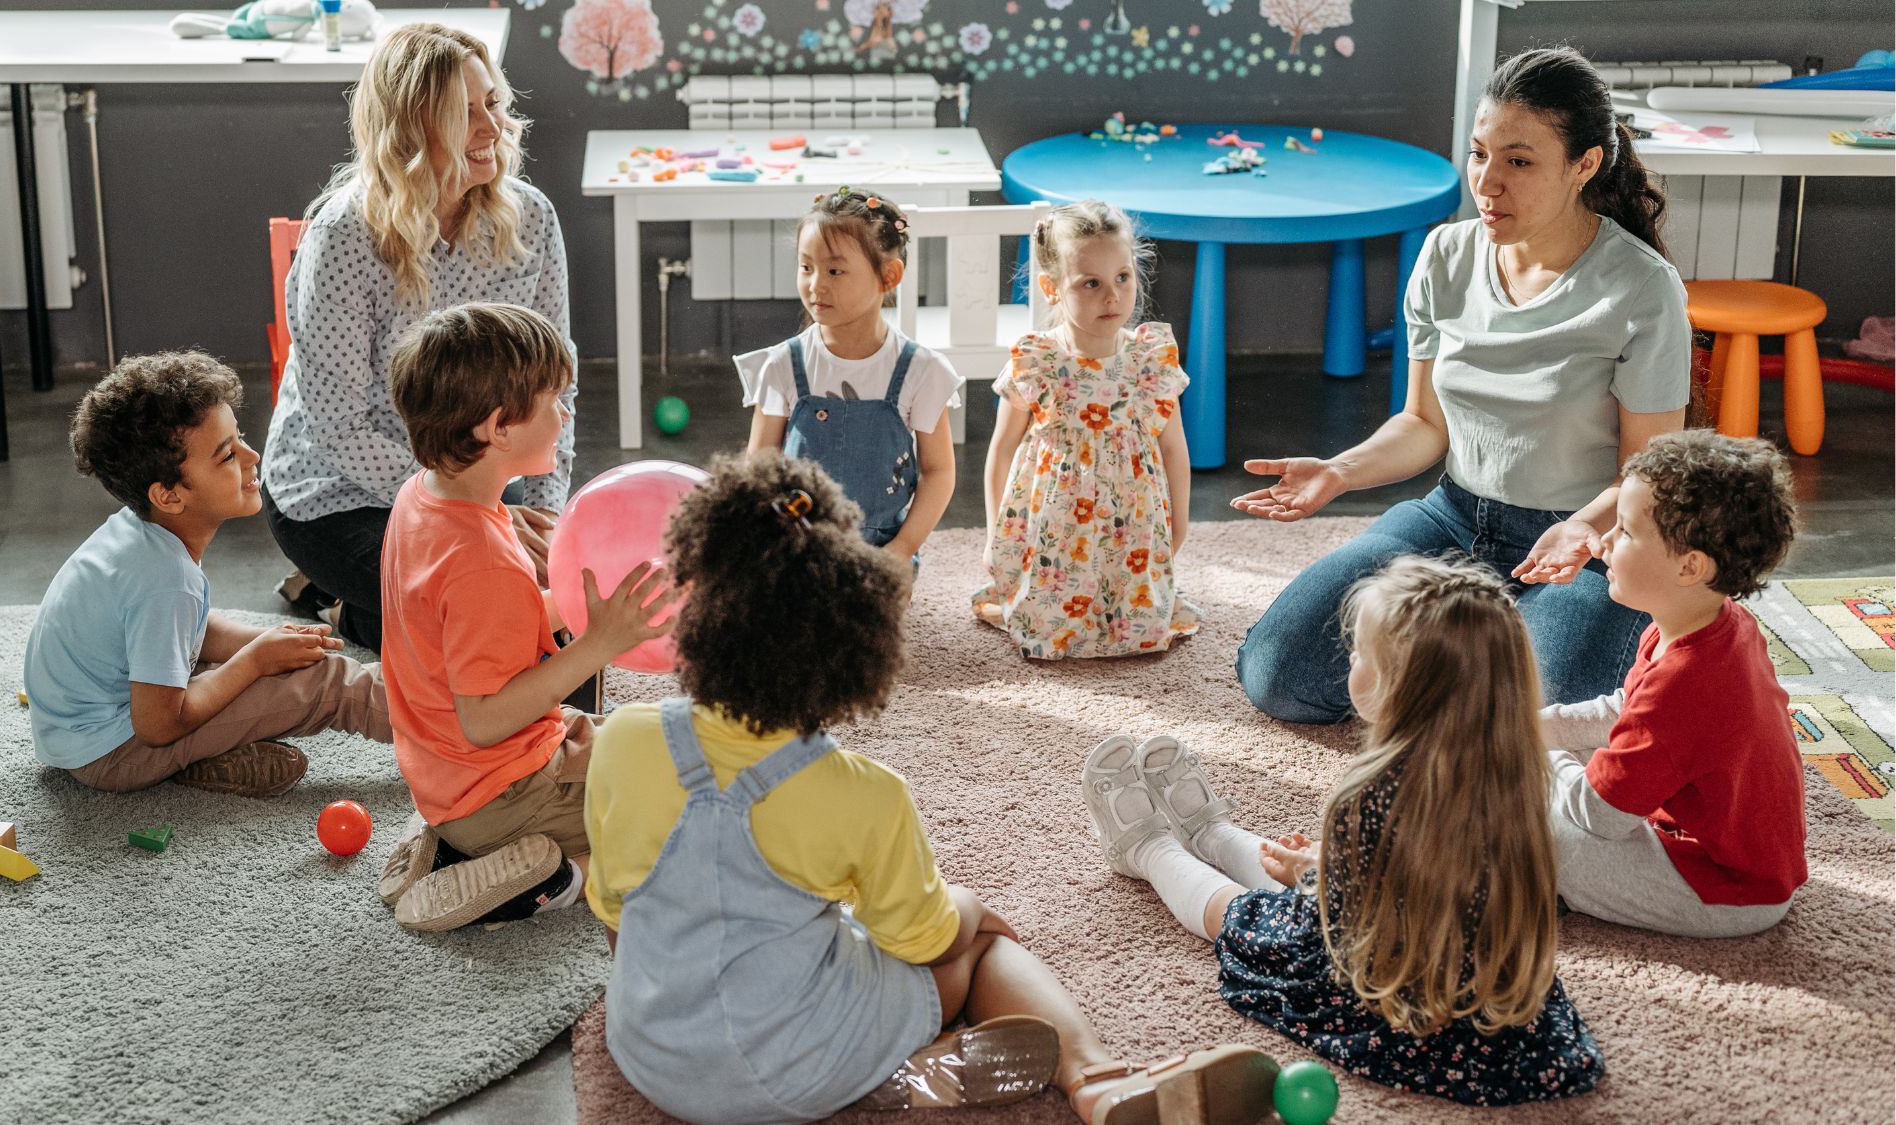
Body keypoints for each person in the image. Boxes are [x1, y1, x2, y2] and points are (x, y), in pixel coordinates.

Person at [587, 452, 1272, 1125]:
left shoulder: (622, 738)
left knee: (791, 922)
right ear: (853, 648)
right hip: (796, 1066)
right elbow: (926, 941)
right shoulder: (864, 794)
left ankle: (885, 1067)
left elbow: (618, 913)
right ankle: (1096, 1079)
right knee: (984, 950)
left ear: (693, 609)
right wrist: (971, 911)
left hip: (652, 1056)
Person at [1234, 46, 1691, 721]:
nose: (1487, 181)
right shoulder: (1446, 255)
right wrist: (1339, 470)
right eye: (1479, 154)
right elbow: (1423, 424)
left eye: (1519, 160)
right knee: (1278, 672)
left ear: (1585, 165)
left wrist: (1584, 530)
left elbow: (1647, 471)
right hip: (1452, 515)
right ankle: (1470, 663)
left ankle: (1466, 667)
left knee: (1542, 721)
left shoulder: (1642, 288)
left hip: (1580, 543)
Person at [1085, 556, 1603, 1105]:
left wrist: (1321, 875)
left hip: (1404, 998)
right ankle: (1211, 833)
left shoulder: (1373, 793)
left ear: (1396, 688)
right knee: (1295, 883)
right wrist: (1327, 868)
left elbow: (1341, 918)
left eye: (1360, 653)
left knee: (1246, 916)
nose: (1350, 657)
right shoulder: (1524, 771)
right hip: (1495, 1004)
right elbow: (1426, 875)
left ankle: (1149, 850)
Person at [261, 22, 576, 652]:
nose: (492, 128)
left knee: (542, 602)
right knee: (487, 614)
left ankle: (358, 601)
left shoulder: (531, 218)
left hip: (477, 477)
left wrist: (545, 518)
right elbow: (339, 427)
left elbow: (554, 386)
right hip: (338, 495)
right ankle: (345, 607)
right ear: (409, 129)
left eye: (493, 103)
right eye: (464, 113)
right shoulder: (346, 235)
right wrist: (475, 513)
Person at [373, 303, 670, 933]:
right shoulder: (481, 559)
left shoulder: (424, 495)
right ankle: (552, 877)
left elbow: (469, 636)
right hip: (502, 789)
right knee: (684, 817)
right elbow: (484, 721)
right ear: (497, 428)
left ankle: (452, 844)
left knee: (652, 739)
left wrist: (570, 607)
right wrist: (598, 643)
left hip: (453, 776)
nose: (564, 415)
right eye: (553, 400)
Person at [25, 353, 389, 796]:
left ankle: (206, 758)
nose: (253, 456)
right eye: (227, 455)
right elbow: (159, 724)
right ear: (169, 496)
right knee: (322, 683)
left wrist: (262, 642)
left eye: (242, 439)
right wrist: (256, 661)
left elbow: (190, 629)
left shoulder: (141, 531)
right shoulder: (165, 582)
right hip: (115, 752)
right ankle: (456, 732)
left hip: (81, 734)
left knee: (276, 662)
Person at [1545, 430, 1804, 937]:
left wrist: (1534, 753)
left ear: (1689, 566)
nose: (1603, 542)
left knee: (1551, 841)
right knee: (1549, 776)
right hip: (1711, 846)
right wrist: (1535, 728)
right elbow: (1627, 711)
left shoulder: (1687, 680)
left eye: (1624, 531)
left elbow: (1599, 817)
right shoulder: (1709, 623)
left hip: (1729, 888)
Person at [973, 200, 1198, 659]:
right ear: (1052, 288)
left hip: (1131, 525)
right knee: (1049, 622)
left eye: (1122, 278)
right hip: (1056, 528)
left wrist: (1179, 524)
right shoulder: (1037, 361)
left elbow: (1174, 448)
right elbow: (1001, 451)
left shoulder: (1150, 360)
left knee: (1135, 621)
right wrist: (997, 533)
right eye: (1090, 283)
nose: (1112, 297)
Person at [738, 189, 960, 562]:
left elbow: (938, 472)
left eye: (835, 271)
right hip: (796, 547)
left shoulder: (922, 371)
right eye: (806, 267)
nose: (815, 285)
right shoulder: (783, 364)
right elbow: (759, 466)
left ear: (888, 276)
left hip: (880, 553)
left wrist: (902, 550)